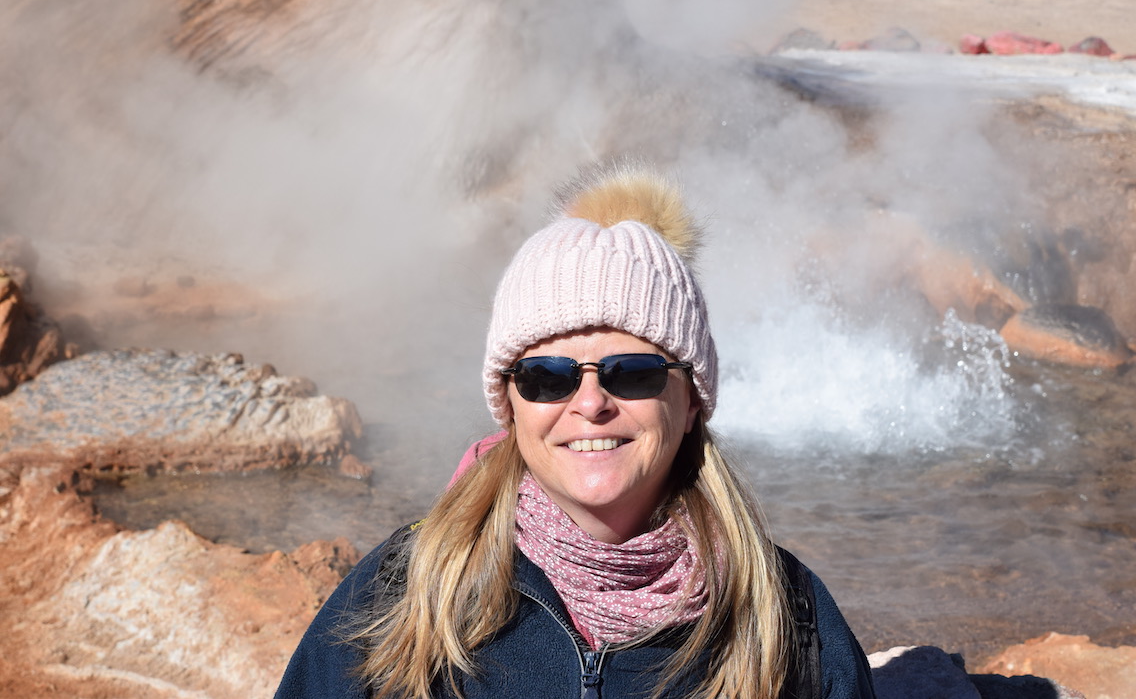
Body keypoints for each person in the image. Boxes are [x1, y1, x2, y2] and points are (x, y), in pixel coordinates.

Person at [274, 164, 878, 699]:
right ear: (510, 403)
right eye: (546, 377)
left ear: (692, 398)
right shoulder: (403, 591)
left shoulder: (789, 619)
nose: (590, 403)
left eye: (633, 372)